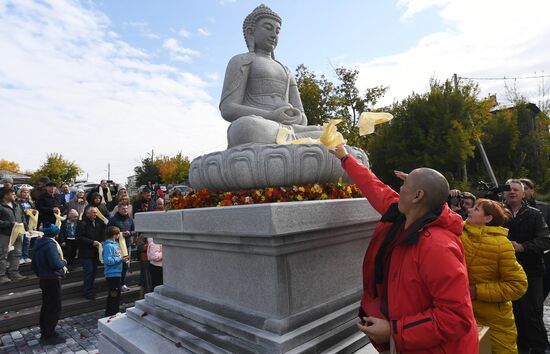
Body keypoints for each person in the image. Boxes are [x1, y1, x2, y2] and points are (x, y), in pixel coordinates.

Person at [330, 144, 478, 353]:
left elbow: (456, 317)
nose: (399, 190)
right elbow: (375, 188)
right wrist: (345, 158)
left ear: (417, 197)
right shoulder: (404, 216)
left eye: (404, 187)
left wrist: (394, 331)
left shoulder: (437, 246)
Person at [219, 4, 323, 148]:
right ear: (251, 32)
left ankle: (291, 139)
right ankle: (292, 143)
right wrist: (271, 116)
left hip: (288, 128)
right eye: (268, 28)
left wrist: (296, 116)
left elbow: (303, 117)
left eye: (277, 31)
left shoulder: (286, 70)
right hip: (260, 126)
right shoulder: (241, 61)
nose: (274, 35)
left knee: (325, 134)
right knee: (246, 127)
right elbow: (228, 109)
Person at [462, 198, 528, 354]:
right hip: (461, 315)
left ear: (488, 218)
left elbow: (518, 285)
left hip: (494, 320)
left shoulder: (502, 244)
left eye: (476, 209)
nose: (469, 210)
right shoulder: (456, 232)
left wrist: (476, 291)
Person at [503, 179, 550, 354]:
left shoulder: (535, 214)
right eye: (508, 189)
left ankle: (540, 349)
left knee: (532, 314)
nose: (512, 192)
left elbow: (545, 240)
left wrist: (522, 247)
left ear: (524, 194)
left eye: (516, 189)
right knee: (513, 314)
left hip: (531, 270)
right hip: (506, 271)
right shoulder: (498, 213)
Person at [31, 223, 66, 346]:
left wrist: (41, 274)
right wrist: (63, 262)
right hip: (52, 279)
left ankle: (45, 330)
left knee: (46, 306)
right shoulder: (51, 245)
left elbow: (34, 264)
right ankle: (48, 335)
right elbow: (55, 263)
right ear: (56, 234)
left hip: (44, 279)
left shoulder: (39, 243)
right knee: (54, 307)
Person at [520, 178, 550, 301]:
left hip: (541, 257)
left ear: (532, 191)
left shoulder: (544, 209)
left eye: (525, 188)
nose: (522, 191)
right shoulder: (505, 209)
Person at [76, 207, 106, 300]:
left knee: (93, 272)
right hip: (86, 253)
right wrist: (92, 242)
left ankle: (90, 289)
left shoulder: (98, 223)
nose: (95, 214)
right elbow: (79, 238)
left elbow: (102, 233)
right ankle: (87, 292)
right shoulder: (82, 224)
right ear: (88, 214)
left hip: (95, 252)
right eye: (93, 213)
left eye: (96, 213)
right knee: (88, 272)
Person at [0, 188, 28, 283]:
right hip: (4, 234)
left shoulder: (17, 205)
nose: (14, 195)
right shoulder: (1, 206)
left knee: (16, 253)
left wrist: (26, 228)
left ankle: (14, 273)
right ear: (5, 195)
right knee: (3, 255)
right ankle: (1, 276)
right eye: (12, 194)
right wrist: (9, 224)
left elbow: (22, 217)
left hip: (17, 233)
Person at [102, 226, 127, 316]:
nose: (119, 235)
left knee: (115, 294)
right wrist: (120, 259)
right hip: (112, 274)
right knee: (114, 294)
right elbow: (108, 260)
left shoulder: (114, 244)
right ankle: (112, 312)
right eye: (118, 234)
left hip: (116, 273)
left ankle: (112, 311)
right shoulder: (108, 246)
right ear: (114, 235)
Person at [110, 205, 135, 292]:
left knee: (125, 265)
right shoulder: (113, 219)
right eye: (123, 209)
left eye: (126, 209)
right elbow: (109, 231)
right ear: (118, 209)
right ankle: (117, 284)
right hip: (116, 246)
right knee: (117, 265)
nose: (125, 210)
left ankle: (123, 283)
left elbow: (134, 230)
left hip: (127, 246)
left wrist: (130, 233)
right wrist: (119, 234)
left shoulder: (130, 219)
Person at [16, 186, 35, 264]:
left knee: (27, 241)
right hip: (21, 223)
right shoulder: (17, 202)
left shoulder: (30, 202)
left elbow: (34, 210)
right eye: (24, 192)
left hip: (29, 223)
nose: (26, 194)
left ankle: (25, 256)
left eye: (27, 192)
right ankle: (20, 257)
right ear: (20, 193)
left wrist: (33, 212)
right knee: (21, 241)